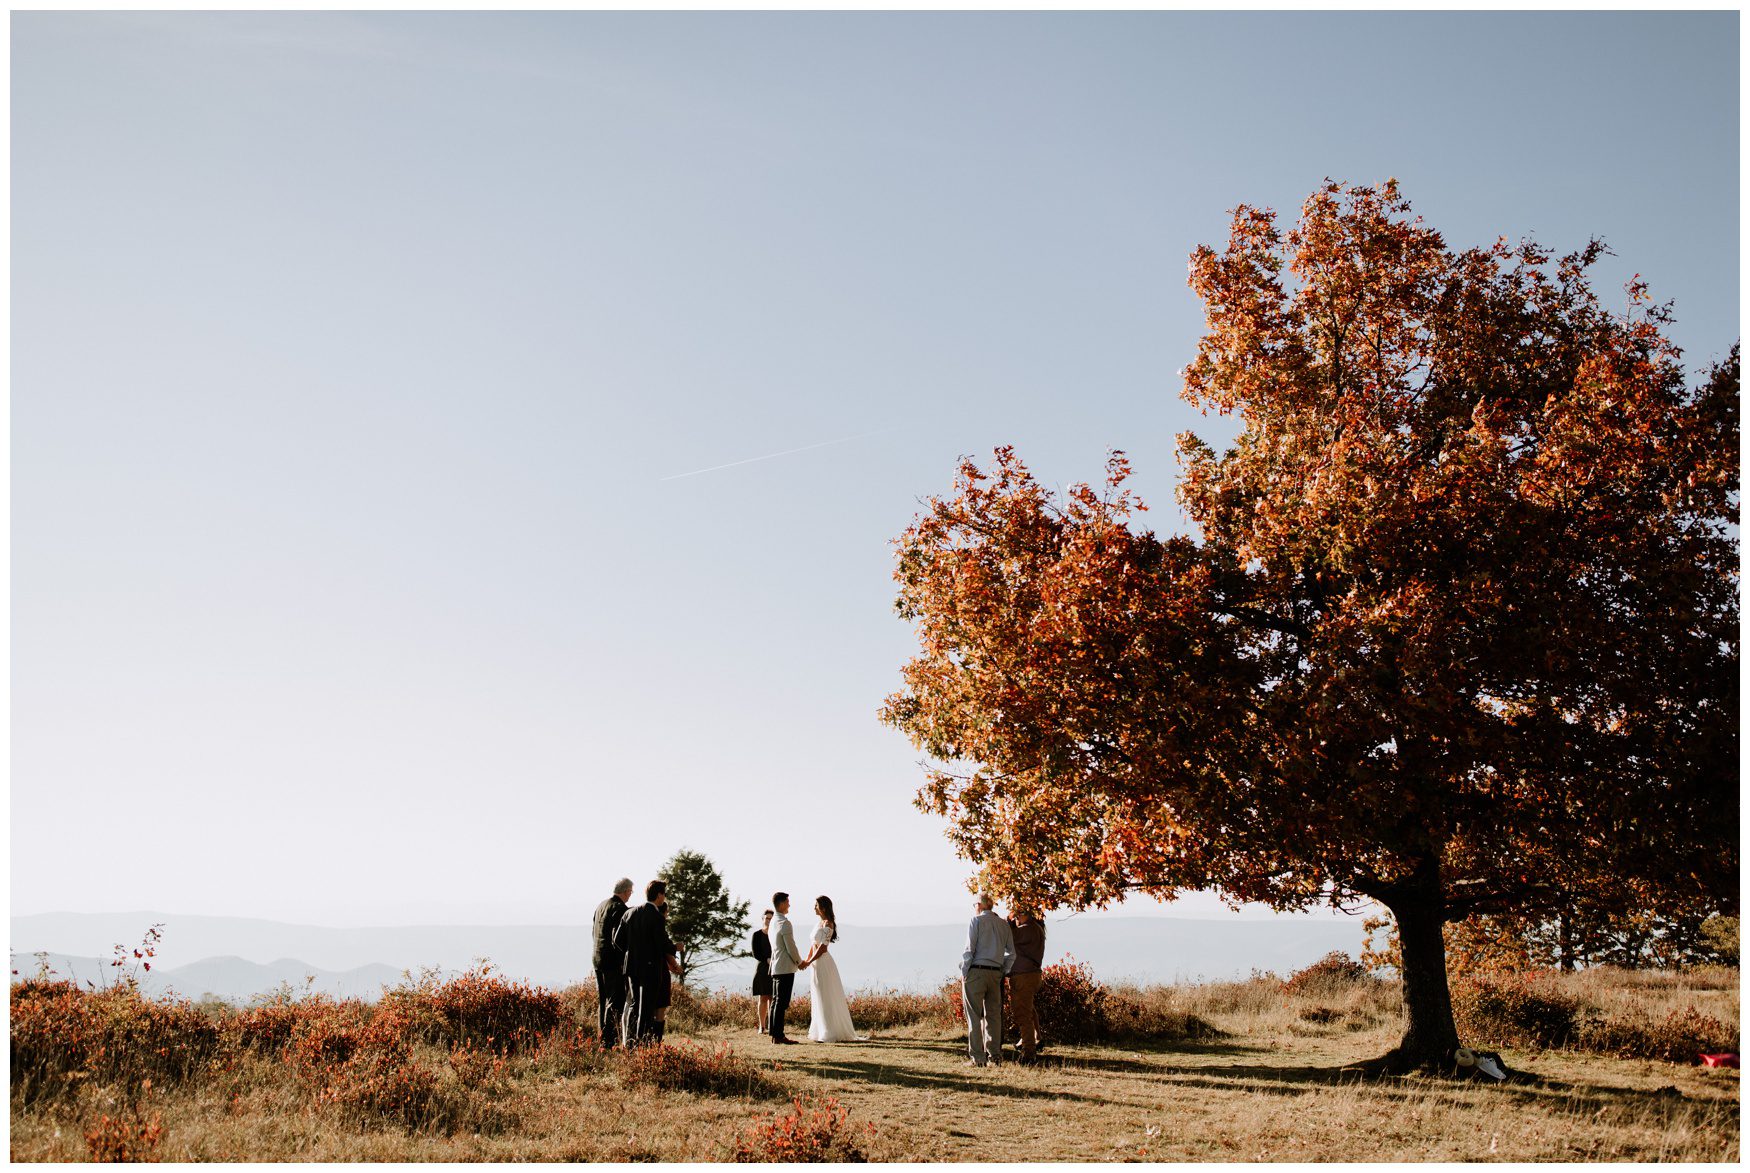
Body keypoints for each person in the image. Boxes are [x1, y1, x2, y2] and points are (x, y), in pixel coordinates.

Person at [615, 879, 682, 1045]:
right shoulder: (656, 917)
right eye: (664, 894)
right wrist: (675, 947)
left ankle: (629, 1042)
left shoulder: (629, 913)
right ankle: (643, 1042)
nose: (664, 897)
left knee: (633, 1005)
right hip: (650, 968)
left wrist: (631, 952)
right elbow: (661, 943)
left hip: (630, 966)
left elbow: (617, 940)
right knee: (646, 1007)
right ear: (659, 895)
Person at [960, 892, 1015, 1068]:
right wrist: (1003, 970)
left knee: (974, 1015)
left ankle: (978, 1057)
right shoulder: (1003, 924)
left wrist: (964, 970)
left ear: (980, 905)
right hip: (995, 972)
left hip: (976, 971)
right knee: (993, 1016)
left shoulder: (976, 921)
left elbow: (970, 948)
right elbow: (1011, 953)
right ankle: (995, 1056)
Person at [800, 895, 861, 1042]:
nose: (814, 908)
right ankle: (819, 1029)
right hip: (815, 963)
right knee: (817, 994)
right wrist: (807, 960)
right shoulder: (819, 923)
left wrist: (809, 962)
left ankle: (828, 1031)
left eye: (816, 905)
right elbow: (813, 944)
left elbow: (822, 948)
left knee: (825, 994)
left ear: (823, 907)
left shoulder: (829, 924)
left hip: (823, 963)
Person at [591, 878, 634, 1047]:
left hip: (597, 958)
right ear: (625, 891)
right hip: (613, 962)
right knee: (615, 1000)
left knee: (603, 998)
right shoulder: (620, 909)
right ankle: (609, 1040)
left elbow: (594, 931)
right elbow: (620, 939)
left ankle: (602, 1035)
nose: (630, 895)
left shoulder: (601, 906)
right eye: (630, 892)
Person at [1007, 907, 1046, 1064]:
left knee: (1023, 1014)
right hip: (1031, 974)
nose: (1016, 917)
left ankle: (1029, 1052)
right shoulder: (1035, 929)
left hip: (1023, 976)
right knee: (1029, 1009)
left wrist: (1008, 921)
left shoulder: (1027, 929)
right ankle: (1036, 1038)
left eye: (1018, 914)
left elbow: (1009, 937)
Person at [768, 892, 803, 1045]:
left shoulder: (773, 921)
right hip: (785, 967)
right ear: (781, 904)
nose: (789, 905)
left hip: (776, 966)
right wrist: (799, 962)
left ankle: (774, 1034)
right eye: (788, 902)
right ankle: (779, 1035)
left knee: (776, 1001)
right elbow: (791, 947)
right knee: (782, 1002)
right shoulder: (784, 923)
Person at [751, 910, 774, 1034]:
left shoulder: (775, 935)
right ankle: (762, 1026)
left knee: (772, 997)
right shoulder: (757, 935)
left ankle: (772, 1025)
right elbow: (755, 953)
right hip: (762, 968)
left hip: (774, 968)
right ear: (763, 919)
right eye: (767, 918)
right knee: (763, 997)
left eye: (771, 918)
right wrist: (767, 959)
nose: (768, 921)